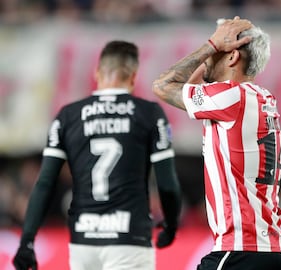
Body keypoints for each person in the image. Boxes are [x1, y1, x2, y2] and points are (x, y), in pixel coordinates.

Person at [12, 40, 182, 270]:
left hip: (84, 242)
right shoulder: (149, 114)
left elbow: (45, 182)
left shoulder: (68, 115)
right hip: (129, 238)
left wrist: (27, 240)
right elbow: (167, 183)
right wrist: (171, 225)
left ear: (97, 72)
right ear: (133, 76)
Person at [152, 17, 281, 269]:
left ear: (232, 58)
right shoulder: (262, 97)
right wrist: (216, 46)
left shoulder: (231, 97)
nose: (208, 57)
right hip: (277, 251)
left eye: (219, 51)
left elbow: (163, 85)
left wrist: (210, 44)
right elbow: (192, 87)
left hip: (243, 249)